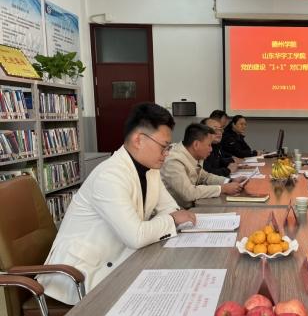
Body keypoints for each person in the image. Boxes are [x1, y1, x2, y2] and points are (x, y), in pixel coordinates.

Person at [38, 103, 196, 305]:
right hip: (79, 276)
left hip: (118, 260)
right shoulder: (109, 175)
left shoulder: (150, 169)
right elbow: (137, 236)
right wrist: (172, 220)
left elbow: (169, 209)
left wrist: (171, 217)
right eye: (164, 147)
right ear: (139, 140)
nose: (167, 153)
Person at [161, 123, 244, 208]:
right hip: (177, 210)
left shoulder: (195, 154)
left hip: (193, 206)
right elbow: (188, 193)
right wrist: (222, 189)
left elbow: (206, 177)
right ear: (196, 145)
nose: (211, 149)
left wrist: (230, 181)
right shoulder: (173, 161)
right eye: (209, 145)